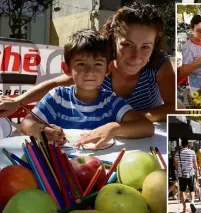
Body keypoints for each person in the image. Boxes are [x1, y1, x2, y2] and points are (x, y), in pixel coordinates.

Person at [0, 2, 175, 123]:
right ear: (113, 40)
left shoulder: (159, 64)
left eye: (145, 46)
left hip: (145, 133)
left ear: (154, 46)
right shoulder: (100, 63)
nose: (136, 56)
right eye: (127, 44)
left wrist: (130, 119)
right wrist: (18, 101)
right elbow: (55, 83)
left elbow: (174, 106)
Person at [19, 29, 153, 148]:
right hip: (59, 167)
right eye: (82, 64)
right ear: (66, 69)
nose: (90, 71)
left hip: (102, 167)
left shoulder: (111, 101)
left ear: (108, 69)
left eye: (98, 64)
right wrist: (40, 130)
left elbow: (147, 127)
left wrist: (114, 128)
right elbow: (26, 124)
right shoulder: (57, 97)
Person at [174, 139, 199, 213]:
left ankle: (185, 208)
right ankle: (192, 202)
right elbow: (195, 164)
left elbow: (176, 164)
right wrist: (197, 173)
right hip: (191, 173)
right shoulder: (192, 152)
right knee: (192, 189)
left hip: (181, 174)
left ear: (181, 145)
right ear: (188, 145)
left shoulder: (177, 153)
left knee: (182, 191)